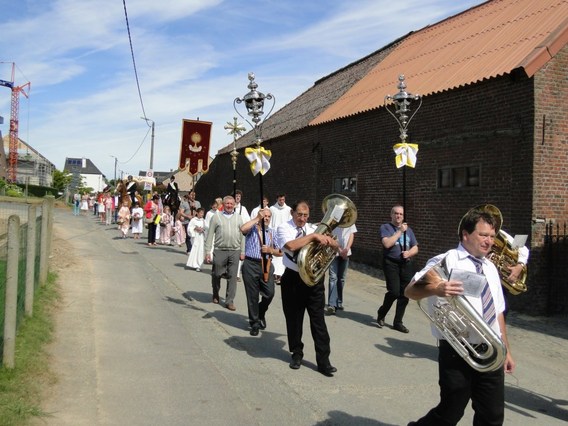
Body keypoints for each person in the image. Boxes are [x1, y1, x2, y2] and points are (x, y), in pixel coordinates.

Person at [405, 206, 515, 426]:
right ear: (466, 234)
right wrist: (436, 289)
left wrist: (506, 350)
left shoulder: (491, 267)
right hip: (457, 350)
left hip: (490, 350)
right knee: (450, 412)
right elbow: (410, 290)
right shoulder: (447, 260)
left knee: (492, 416)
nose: (489, 241)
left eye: (492, 236)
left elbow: (498, 311)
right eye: (483, 235)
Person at [276, 200, 339, 377]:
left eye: (305, 215)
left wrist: (331, 243)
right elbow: (290, 246)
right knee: (294, 320)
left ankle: (324, 362)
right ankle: (296, 354)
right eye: (299, 215)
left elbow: (336, 247)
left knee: (318, 321)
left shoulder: (314, 228)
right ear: (292, 213)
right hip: (293, 279)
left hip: (314, 281)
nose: (302, 219)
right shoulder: (284, 228)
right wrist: (313, 237)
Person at [376, 205, 418, 333]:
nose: (398, 216)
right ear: (391, 215)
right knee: (394, 291)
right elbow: (387, 244)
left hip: (406, 264)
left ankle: (398, 322)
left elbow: (415, 247)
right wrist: (399, 231)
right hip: (391, 263)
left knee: (405, 294)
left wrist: (409, 253)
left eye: (400, 214)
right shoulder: (386, 227)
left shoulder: (409, 230)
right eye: (396, 213)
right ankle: (382, 312)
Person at [240, 207, 282, 336]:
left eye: (269, 216)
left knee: (269, 293)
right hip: (251, 263)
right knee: (252, 295)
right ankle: (254, 322)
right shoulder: (252, 228)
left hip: (266, 265)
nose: (267, 219)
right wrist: (257, 218)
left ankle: (260, 311)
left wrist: (270, 250)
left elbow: (280, 252)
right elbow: (242, 228)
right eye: (265, 216)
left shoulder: (272, 232)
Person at [204, 196, 245, 311]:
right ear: (223, 204)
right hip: (220, 250)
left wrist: (243, 251)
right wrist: (208, 251)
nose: (229, 206)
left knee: (232, 277)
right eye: (227, 203)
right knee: (217, 274)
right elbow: (210, 235)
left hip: (234, 251)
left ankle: (229, 301)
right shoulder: (216, 217)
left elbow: (243, 236)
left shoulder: (239, 218)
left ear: (234, 205)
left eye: (231, 204)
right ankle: (215, 293)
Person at [325, 223, 357, 314]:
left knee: (341, 278)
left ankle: (338, 302)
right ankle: (331, 304)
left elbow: (351, 234)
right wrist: (339, 249)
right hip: (333, 252)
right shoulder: (334, 222)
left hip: (346, 252)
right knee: (333, 278)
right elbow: (330, 236)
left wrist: (346, 249)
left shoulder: (350, 221)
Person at [270, 193, 292, 284]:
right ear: (277, 199)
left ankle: (281, 275)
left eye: (283, 199)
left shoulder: (288, 209)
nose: (282, 201)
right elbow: (270, 221)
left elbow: (290, 222)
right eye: (280, 200)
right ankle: (275, 274)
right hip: (275, 233)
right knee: (275, 255)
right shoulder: (272, 209)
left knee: (282, 253)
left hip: (284, 234)